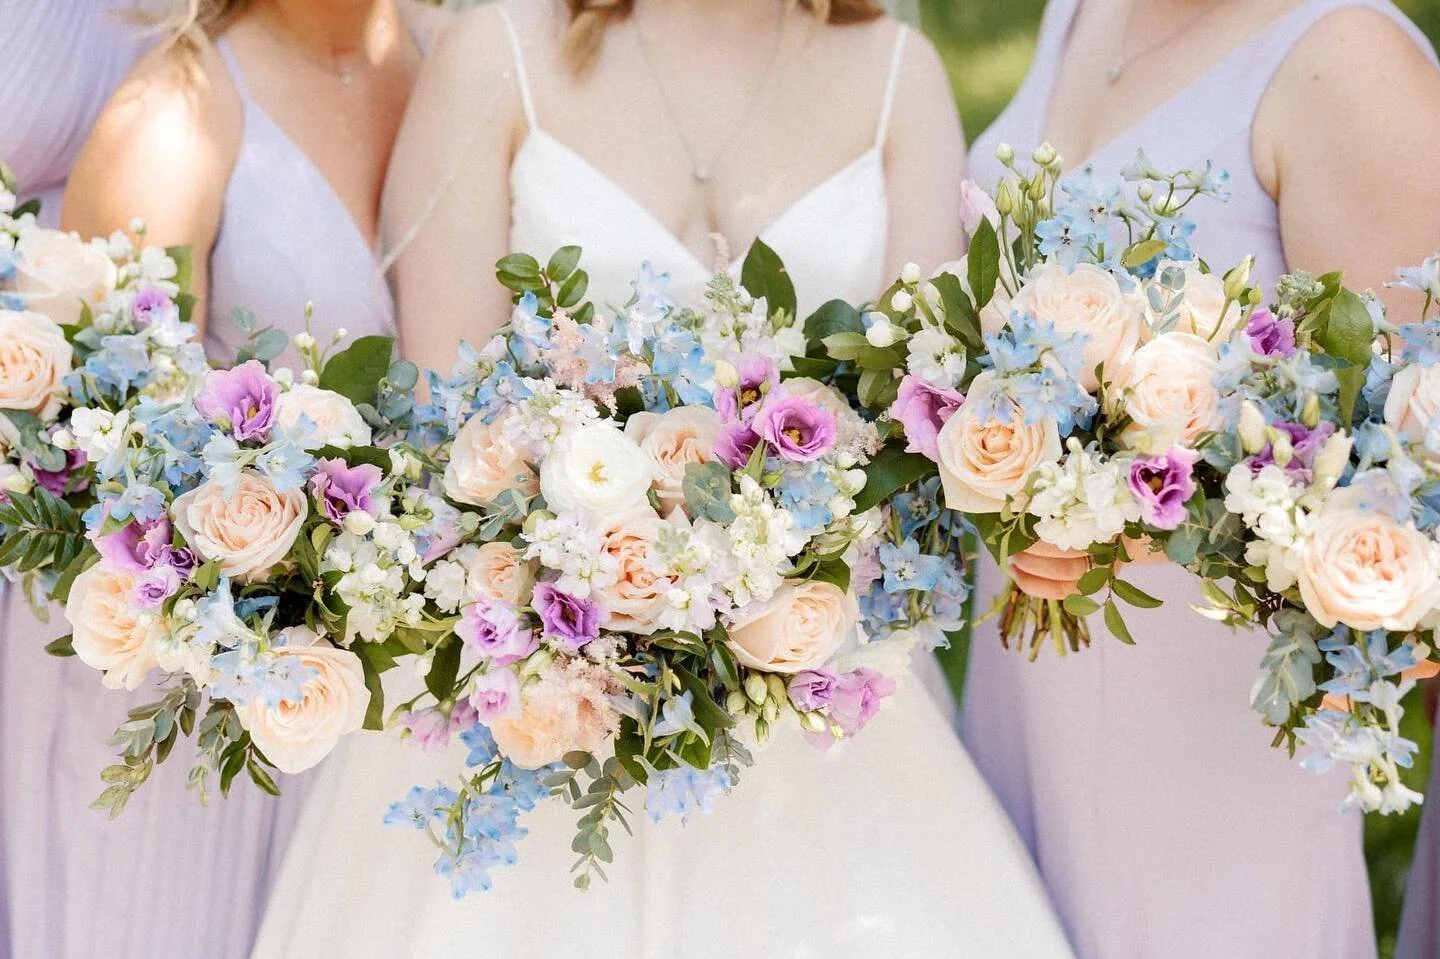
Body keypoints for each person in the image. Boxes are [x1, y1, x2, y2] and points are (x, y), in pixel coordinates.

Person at [251, 2, 1075, 956]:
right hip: (539, 688)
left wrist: (764, 579)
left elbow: (922, 417)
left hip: (814, 683)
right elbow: (450, 424)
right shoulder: (500, 57)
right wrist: (602, 583)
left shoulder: (899, 75)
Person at [959, 1, 1440, 956]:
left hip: (1210, 750)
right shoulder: (1083, 10)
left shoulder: (1347, 60)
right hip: (1024, 699)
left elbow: (1412, 490)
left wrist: (1152, 522)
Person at [4, 2, 438, 956]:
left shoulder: (450, 62)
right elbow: (106, 469)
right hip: (182, 723)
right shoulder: (177, 110)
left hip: (368, 716)